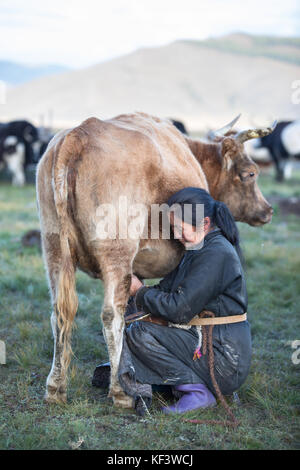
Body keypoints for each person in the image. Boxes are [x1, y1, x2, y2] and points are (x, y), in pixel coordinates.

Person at [94, 187, 251, 414]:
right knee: (132, 319)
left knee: (140, 333)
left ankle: (196, 392)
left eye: (180, 228)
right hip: (213, 346)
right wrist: (130, 287)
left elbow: (178, 309)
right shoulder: (198, 249)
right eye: (173, 228)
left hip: (225, 361)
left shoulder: (216, 254)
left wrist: (140, 292)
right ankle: (157, 377)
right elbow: (165, 290)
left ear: (205, 224)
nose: (176, 235)